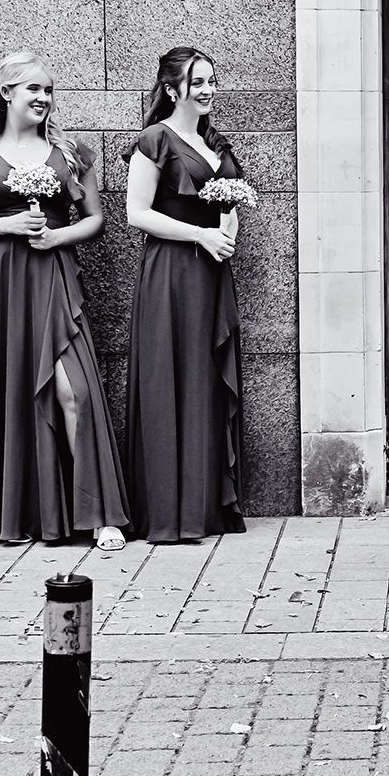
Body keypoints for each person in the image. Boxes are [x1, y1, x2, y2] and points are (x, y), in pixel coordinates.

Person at [0, 51, 129, 549]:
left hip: (53, 279)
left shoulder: (69, 153)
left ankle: (99, 514)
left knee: (74, 391)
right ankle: (13, 514)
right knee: (9, 395)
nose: (43, 99)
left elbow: (95, 219)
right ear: (6, 94)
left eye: (48, 90)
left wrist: (57, 238)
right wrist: (6, 224)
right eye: (33, 90)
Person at [122, 46, 246, 543]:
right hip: (172, 273)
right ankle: (170, 513)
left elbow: (229, 198)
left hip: (212, 272)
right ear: (173, 89)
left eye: (211, 80)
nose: (207, 90)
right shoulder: (156, 140)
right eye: (197, 82)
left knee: (204, 380)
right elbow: (137, 213)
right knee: (169, 380)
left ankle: (204, 506)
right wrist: (200, 236)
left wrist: (228, 222)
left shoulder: (216, 141)